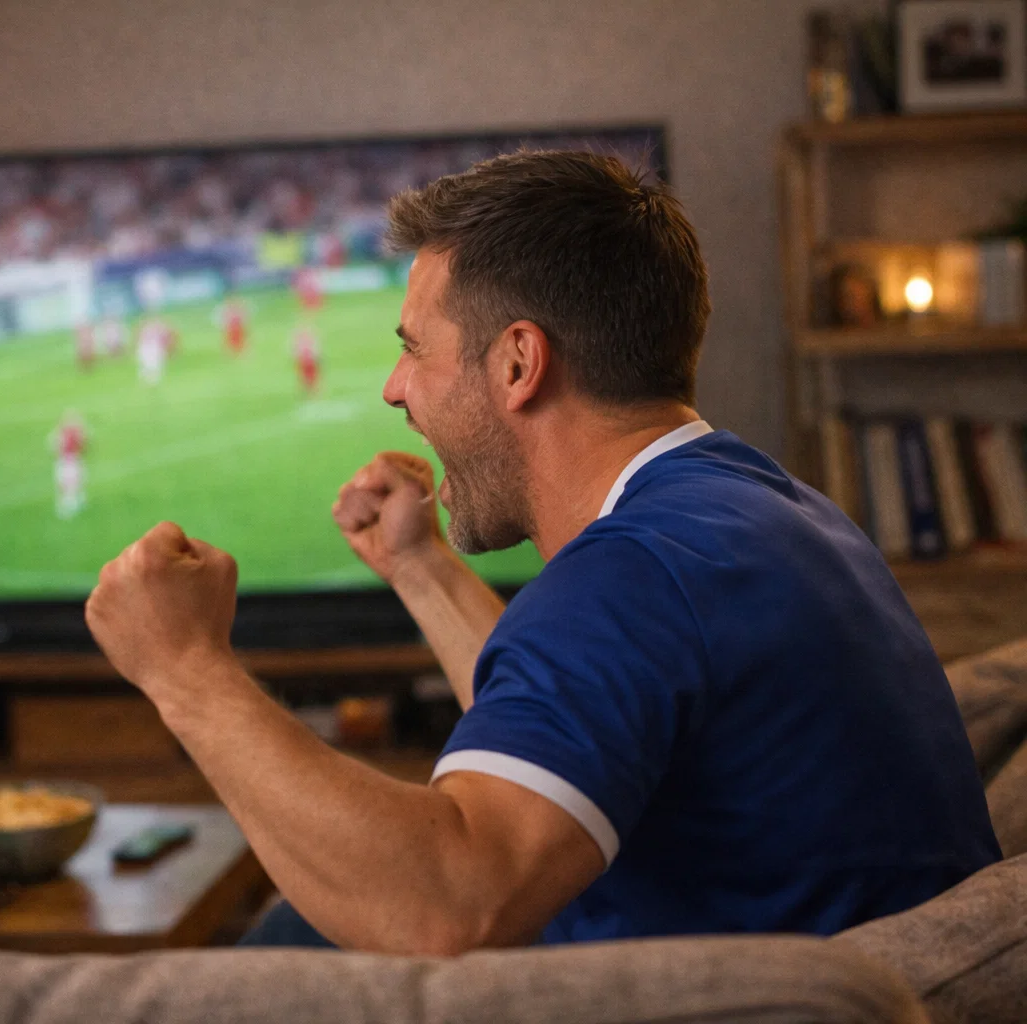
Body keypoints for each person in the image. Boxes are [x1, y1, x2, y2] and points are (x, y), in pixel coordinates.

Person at [83, 152, 1001, 954]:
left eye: (415, 349)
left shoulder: (636, 573)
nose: (395, 389)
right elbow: (584, 706)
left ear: (519, 363)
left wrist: (183, 668)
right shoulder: (750, 511)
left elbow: (448, 908)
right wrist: (422, 568)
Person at [292, 325, 321, 395]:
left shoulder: (309, 340)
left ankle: (313, 390)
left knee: (312, 376)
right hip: (305, 361)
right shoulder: (299, 340)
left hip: (310, 360)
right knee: (304, 376)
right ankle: (308, 390)